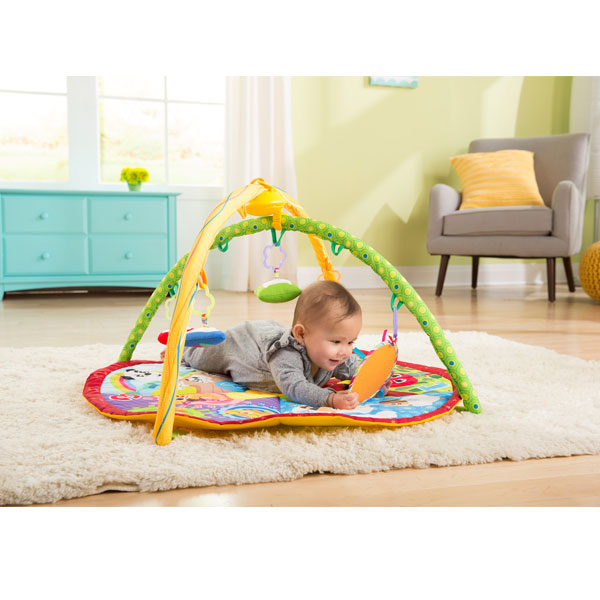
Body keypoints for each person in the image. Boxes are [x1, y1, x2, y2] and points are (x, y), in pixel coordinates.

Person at [169, 280, 364, 409]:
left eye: (350, 341)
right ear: (301, 334)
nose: (344, 351)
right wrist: (330, 399)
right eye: (336, 341)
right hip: (242, 344)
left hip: (269, 332)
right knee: (202, 356)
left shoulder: (336, 355)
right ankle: (183, 345)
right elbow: (295, 387)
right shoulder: (285, 355)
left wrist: (371, 378)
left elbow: (357, 369)